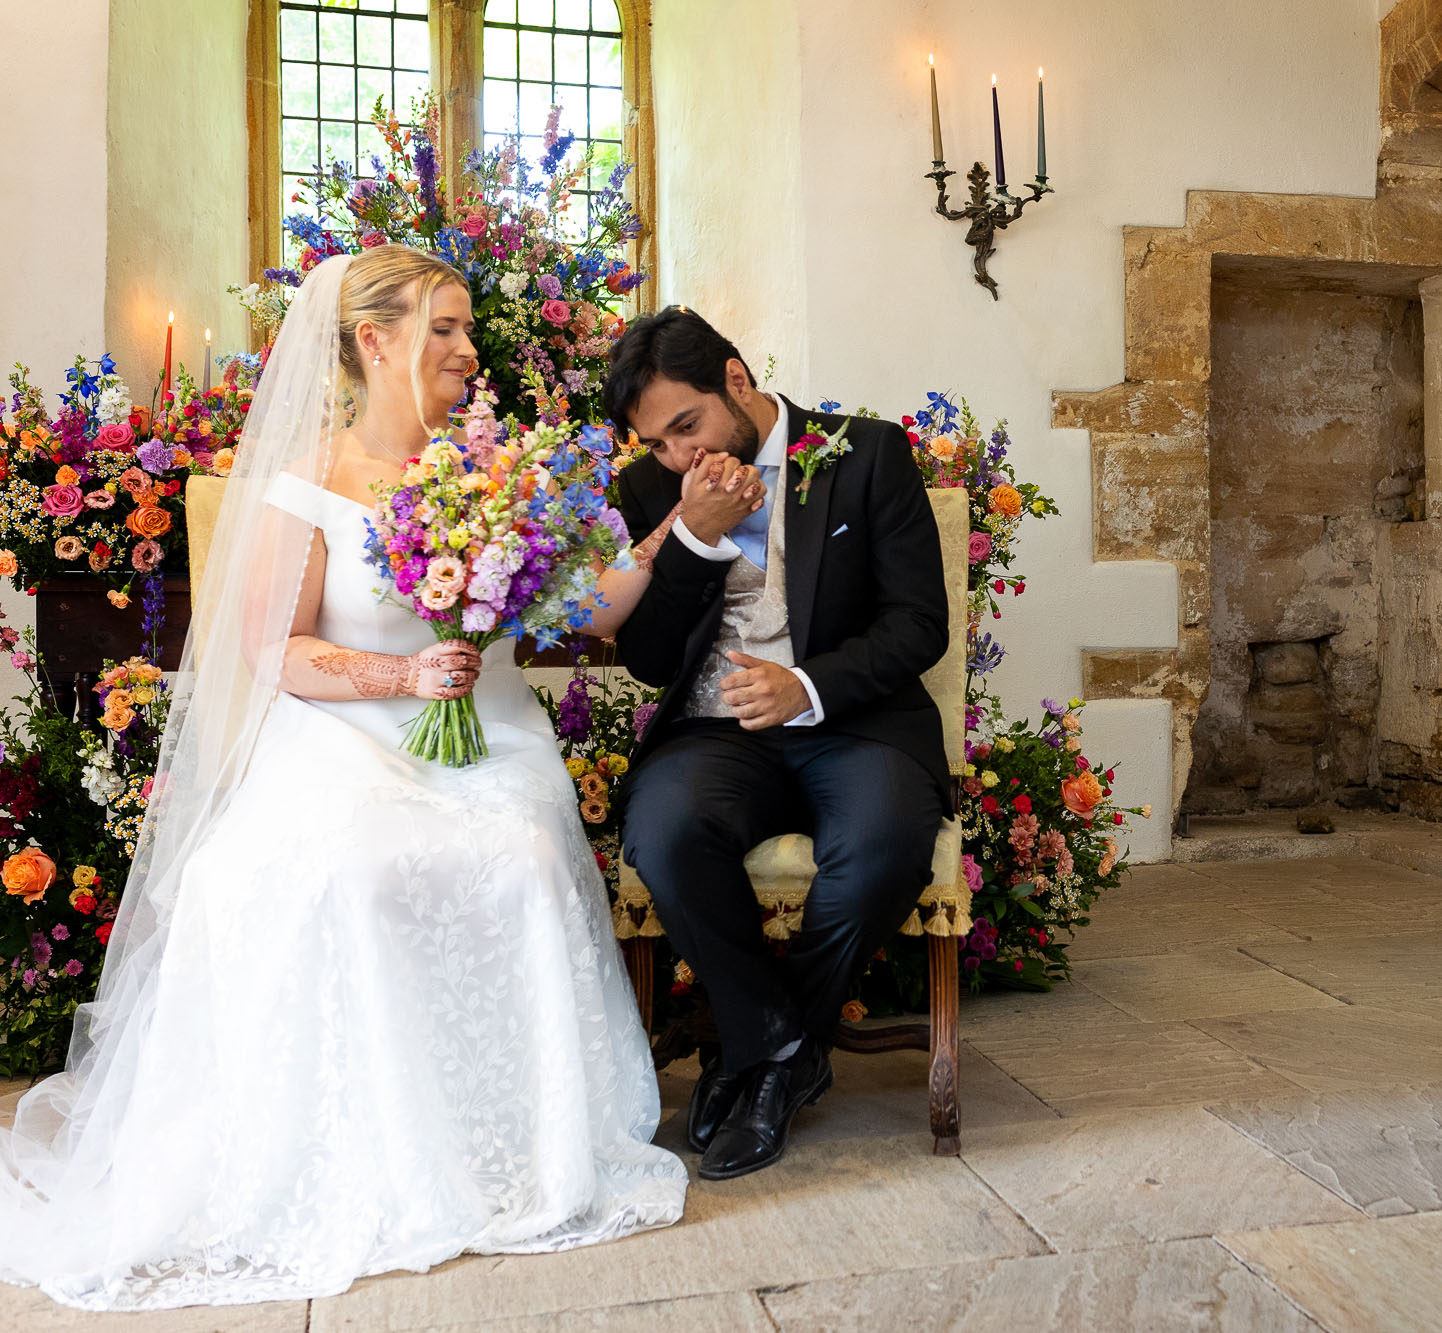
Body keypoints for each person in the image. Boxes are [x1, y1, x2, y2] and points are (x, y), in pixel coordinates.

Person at [0, 246, 686, 1312]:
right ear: (375, 340)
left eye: (467, 329)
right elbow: (276, 651)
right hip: (342, 732)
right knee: (351, 867)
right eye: (446, 328)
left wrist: (677, 537)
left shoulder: (501, 469)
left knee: (522, 857)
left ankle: (520, 1149)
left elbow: (589, 611)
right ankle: (365, 1145)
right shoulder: (309, 477)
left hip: (489, 735)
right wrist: (402, 671)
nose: (468, 350)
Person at [602, 309, 949, 1181]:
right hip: (717, 734)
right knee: (668, 832)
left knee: (878, 848)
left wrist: (810, 683)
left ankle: (758, 1063)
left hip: (856, 722)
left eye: (688, 425)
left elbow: (918, 624)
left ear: (739, 382)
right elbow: (648, 661)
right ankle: (782, 1048)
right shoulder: (654, 488)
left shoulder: (867, 452)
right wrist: (695, 535)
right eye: (657, 441)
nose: (678, 455)